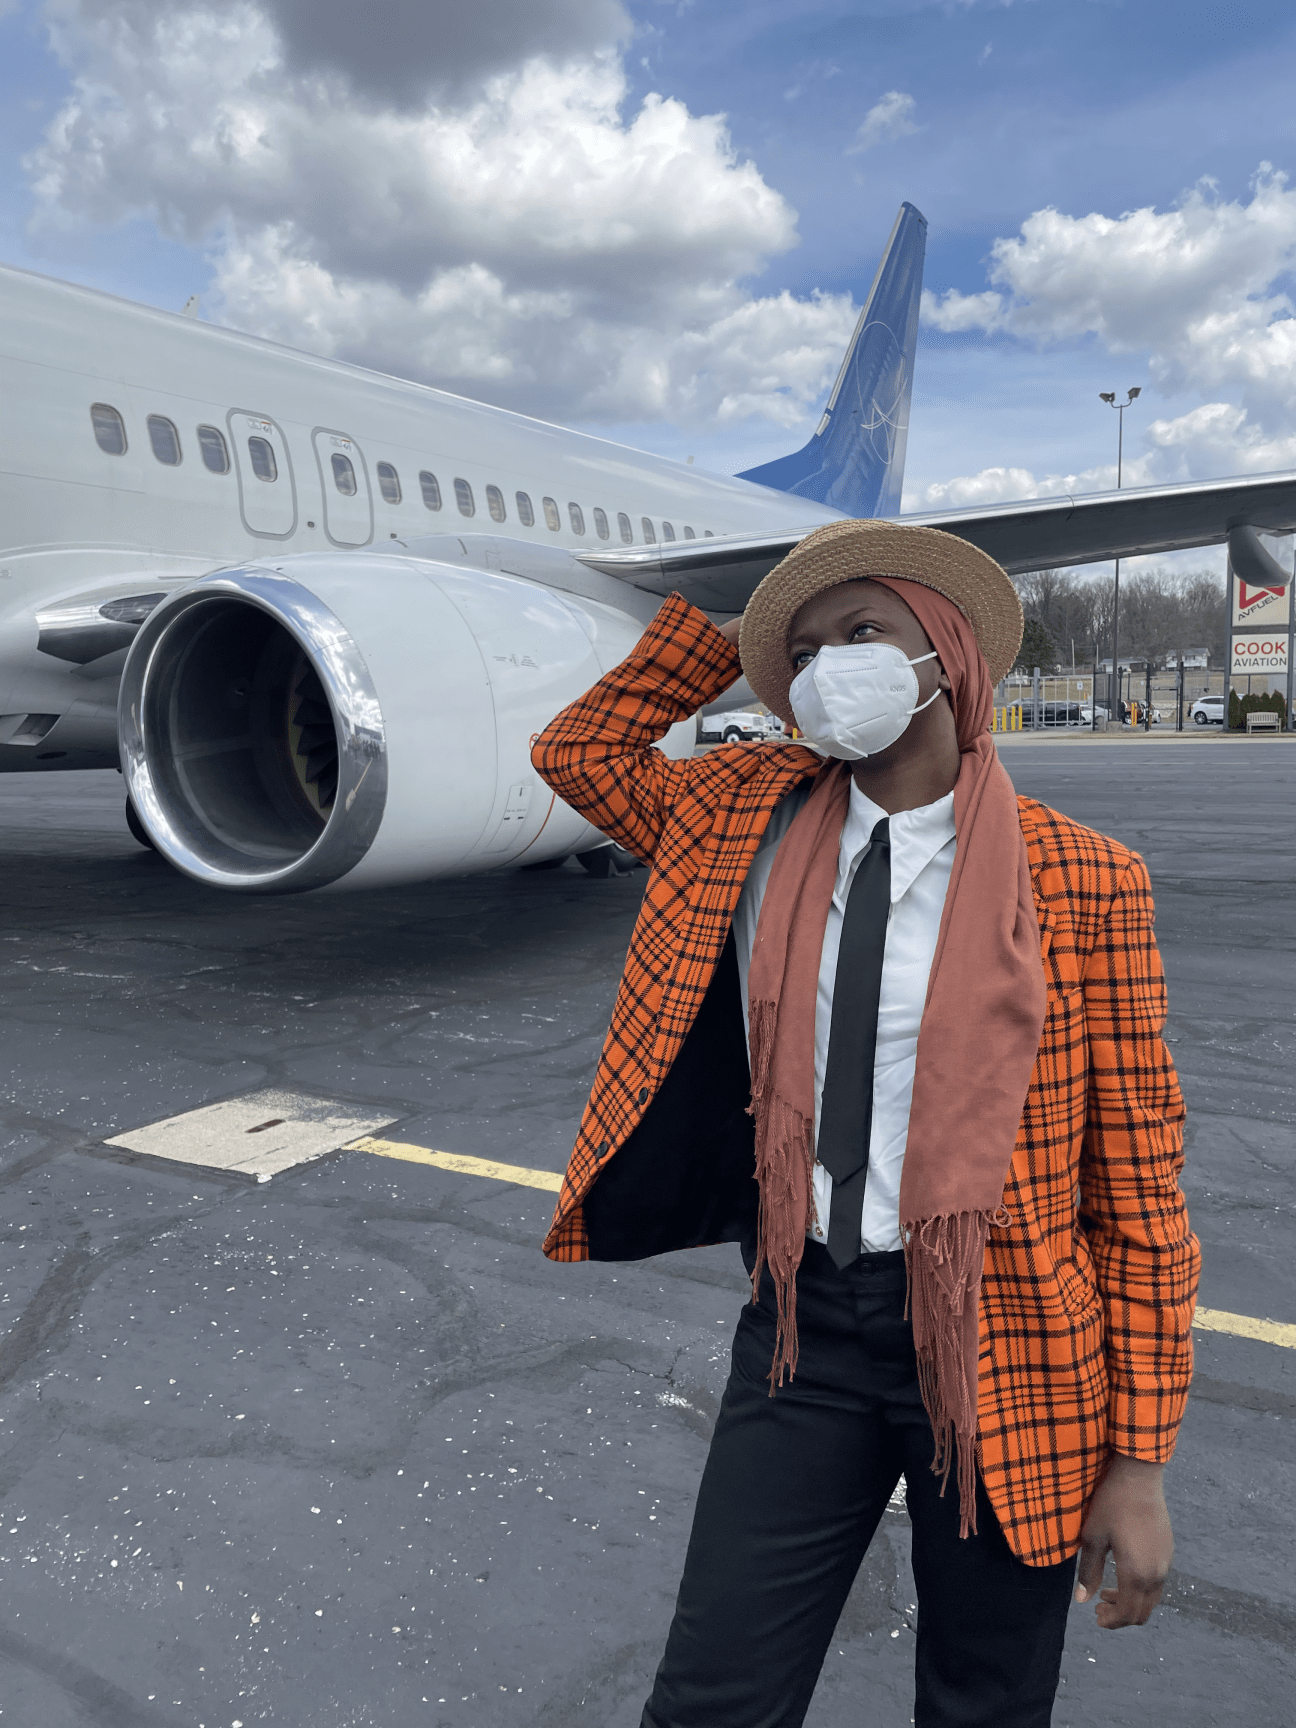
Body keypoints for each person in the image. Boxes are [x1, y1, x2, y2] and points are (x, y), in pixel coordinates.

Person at [531, 520, 1199, 1728]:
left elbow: (1142, 1188)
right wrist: (739, 646)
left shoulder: (1088, 879)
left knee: (982, 1705)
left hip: (1012, 1352)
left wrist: (1140, 1462)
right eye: (809, 652)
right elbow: (575, 752)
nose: (831, 664)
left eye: (863, 635)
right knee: (710, 1697)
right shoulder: (744, 819)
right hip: (803, 1330)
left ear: (945, 652)